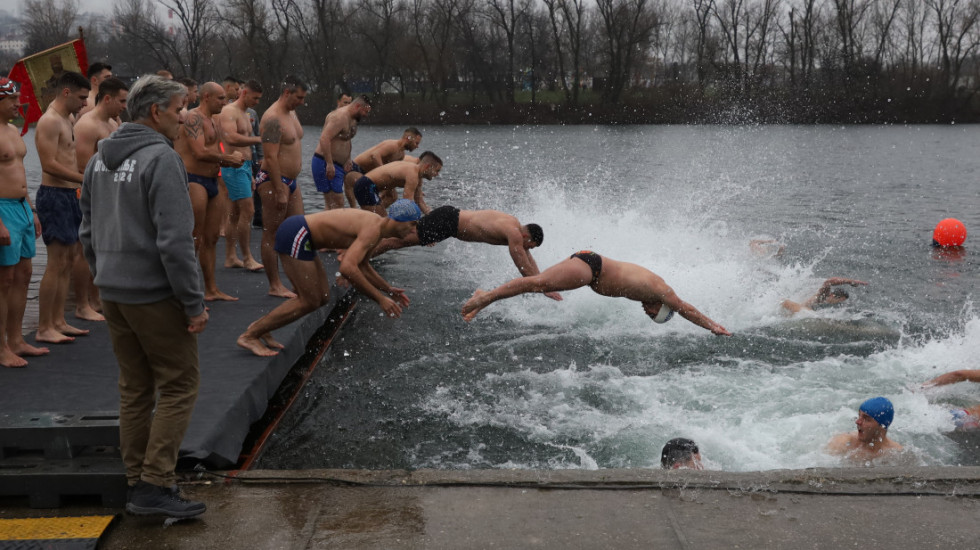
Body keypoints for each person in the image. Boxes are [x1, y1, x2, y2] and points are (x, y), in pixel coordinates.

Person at [79, 74, 208, 518]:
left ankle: (137, 480)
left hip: (114, 292)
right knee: (179, 384)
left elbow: (87, 230)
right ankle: (156, 483)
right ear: (156, 112)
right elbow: (176, 241)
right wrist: (193, 303)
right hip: (153, 295)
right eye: (178, 110)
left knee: (135, 388)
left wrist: (103, 277)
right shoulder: (162, 158)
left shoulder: (99, 159)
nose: (183, 119)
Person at [236, 200, 423, 357]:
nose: (413, 230)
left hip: (303, 236)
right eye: (412, 224)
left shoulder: (378, 229)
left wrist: (388, 289)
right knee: (309, 300)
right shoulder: (373, 229)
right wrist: (380, 299)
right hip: (297, 233)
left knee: (322, 297)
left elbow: (363, 266)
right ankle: (250, 335)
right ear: (397, 220)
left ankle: (263, 327)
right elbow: (348, 267)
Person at [461, 251, 731, 336]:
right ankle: (485, 297)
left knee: (541, 284)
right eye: (653, 315)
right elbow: (686, 308)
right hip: (592, 268)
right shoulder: (661, 292)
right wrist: (712, 327)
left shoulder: (647, 294)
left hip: (589, 268)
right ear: (659, 308)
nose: (647, 313)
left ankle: (485, 299)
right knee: (538, 283)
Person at [371, 207, 558, 299]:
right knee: (396, 242)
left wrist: (544, 281)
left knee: (397, 239)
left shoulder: (515, 227)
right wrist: (542, 289)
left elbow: (527, 258)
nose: (528, 249)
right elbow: (522, 265)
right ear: (526, 236)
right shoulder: (514, 234)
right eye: (530, 245)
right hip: (449, 223)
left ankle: (360, 246)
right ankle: (361, 252)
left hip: (449, 220)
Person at [34, 71, 90, 344]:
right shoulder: (49, 121)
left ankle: (59, 320)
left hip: (70, 194)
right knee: (56, 263)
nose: (84, 103)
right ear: (66, 92)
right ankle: (44, 326)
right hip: (54, 194)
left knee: (69, 260)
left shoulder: (68, 118)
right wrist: (86, 178)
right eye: (81, 97)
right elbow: (48, 164)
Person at [174, 81, 244, 302]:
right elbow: (200, 152)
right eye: (221, 98)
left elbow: (220, 146)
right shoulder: (193, 118)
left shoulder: (214, 119)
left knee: (212, 237)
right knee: (194, 238)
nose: (225, 102)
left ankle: (211, 289)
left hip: (213, 180)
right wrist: (227, 159)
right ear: (206, 97)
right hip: (194, 180)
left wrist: (234, 160)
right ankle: (186, 290)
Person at [0, 78, 48, 367]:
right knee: (3, 280)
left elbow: (17, 173)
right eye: (12, 99)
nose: (19, 104)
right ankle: (1, 347)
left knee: (24, 275)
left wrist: (31, 210)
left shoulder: (12, 131)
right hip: (2, 210)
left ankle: (16, 340)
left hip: (20, 208)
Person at [72, 77, 129, 321]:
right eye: (122, 101)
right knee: (87, 249)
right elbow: (83, 166)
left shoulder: (114, 123)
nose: (125, 106)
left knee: (105, 249)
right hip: (92, 192)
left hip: (112, 193)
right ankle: (83, 303)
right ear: (107, 98)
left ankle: (98, 298)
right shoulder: (87, 125)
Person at [255, 76, 307, 298]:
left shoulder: (291, 113)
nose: (301, 102)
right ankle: (274, 285)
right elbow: (271, 157)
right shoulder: (272, 118)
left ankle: (298, 281)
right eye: (299, 97)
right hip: (273, 180)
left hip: (291, 181)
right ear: (287, 92)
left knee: (300, 230)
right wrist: (278, 189)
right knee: (272, 233)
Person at [219, 79, 263, 271]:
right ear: (244, 93)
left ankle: (230, 257)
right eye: (255, 98)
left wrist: (252, 173)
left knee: (235, 213)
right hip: (233, 166)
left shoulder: (246, 114)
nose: (257, 102)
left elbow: (245, 143)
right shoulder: (229, 111)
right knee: (249, 211)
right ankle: (247, 258)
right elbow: (230, 137)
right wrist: (260, 139)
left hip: (244, 166)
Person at [312, 95, 371, 209]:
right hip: (325, 162)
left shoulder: (353, 119)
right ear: (358, 106)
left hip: (339, 165)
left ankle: (328, 226)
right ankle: (327, 226)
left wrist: (348, 158)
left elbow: (346, 139)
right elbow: (324, 139)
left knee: (334, 204)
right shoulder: (339, 117)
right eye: (365, 111)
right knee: (336, 202)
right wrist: (329, 164)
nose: (366, 115)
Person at [346, 127, 421, 208]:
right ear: (408, 138)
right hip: (356, 170)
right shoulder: (392, 145)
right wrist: (383, 172)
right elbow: (374, 155)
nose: (417, 146)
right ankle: (361, 210)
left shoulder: (401, 155)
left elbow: (393, 175)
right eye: (416, 143)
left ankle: (374, 212)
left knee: (392, 196)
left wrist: (414, 188)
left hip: (370, 175)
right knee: (366, 190)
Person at [353, 152, 442, 216]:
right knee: (383, 224)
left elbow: (420, 201)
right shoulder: (412, 175)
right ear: (427, 166)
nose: (437, 174)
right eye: (437, 170)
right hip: (366, 186)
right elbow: (407, 204)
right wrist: (416, 227)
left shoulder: (417, 176)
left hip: (368, 186)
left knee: (380, 220)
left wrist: (432, 217)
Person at [826, 397, 902, 462]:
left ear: (882, 426)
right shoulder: (843, 443)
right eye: (859, 416)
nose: (857, 422)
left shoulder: (896, 453)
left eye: (866, 419)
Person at [781, 277, 868, 314]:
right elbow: (828, 281)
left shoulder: (824, 300)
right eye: (840, 301)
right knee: (812, 315)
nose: (838, 303)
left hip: (791, 310)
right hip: (790, 305)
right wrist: (850, 281)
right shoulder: (823, 296)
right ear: (834, 296)